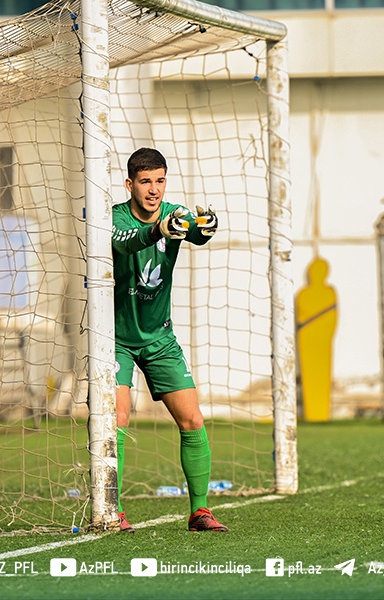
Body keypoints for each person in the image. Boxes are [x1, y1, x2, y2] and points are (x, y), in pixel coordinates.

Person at [112, 147, 227, 533]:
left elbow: (196, 233)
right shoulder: (111, 217)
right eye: (145, 182)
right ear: (130, 184)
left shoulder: (173, 212)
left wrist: (206, 227)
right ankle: (111, 509)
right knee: (118, 419)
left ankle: (199, 511)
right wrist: (157, 231)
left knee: (193, 418)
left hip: (159, 336)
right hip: (115, 339)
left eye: (160, 181)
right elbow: (126, 242)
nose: (154, 190)